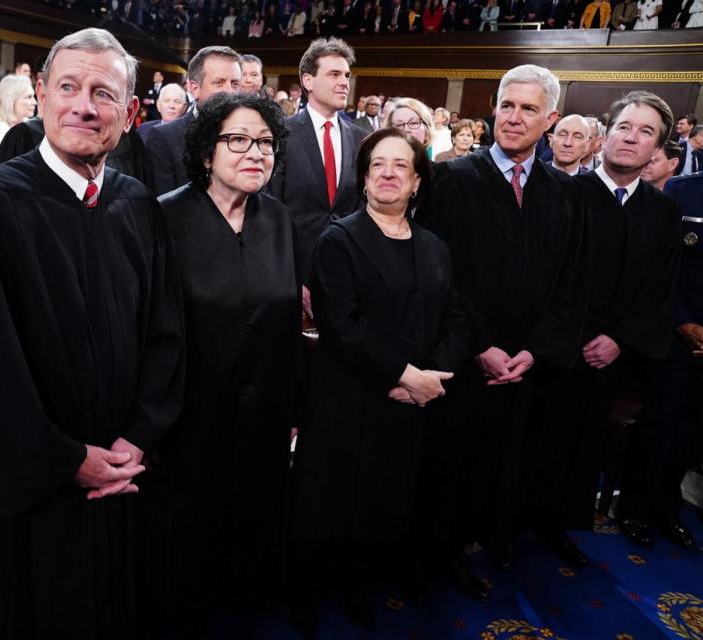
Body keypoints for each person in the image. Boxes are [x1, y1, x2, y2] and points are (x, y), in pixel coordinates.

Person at [0, 28, 185, 639]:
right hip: (25, 488)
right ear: (40, 96)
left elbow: (167, 332)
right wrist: (64, 459)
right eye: (68, 87)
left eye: (104, 94)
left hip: (122, 471)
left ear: (130, 114)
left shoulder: (139, 206)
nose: (85, 105)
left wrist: (139, 434)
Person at [291, 128, 468, 632]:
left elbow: (456, 318)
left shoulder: (435, 246)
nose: (389, 174)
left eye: (401, 167)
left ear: (416, 182)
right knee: (333, 503)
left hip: (414, 402)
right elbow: (342, 327)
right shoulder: (338, 239)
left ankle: (364, 584)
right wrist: (403, 375)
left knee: (386, 502)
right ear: (365, 178)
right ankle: (311, 594)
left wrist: (433, 378)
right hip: (350, 398)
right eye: (378, 165)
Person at [417, 64, 589, 575]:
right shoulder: (450, 180)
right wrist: (482, 347)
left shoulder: (566, 193)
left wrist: (535, 350)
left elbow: (571, 283)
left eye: (529, 109)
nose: (514, 118)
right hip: (468, 359)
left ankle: (499, 538)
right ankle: (442, 556)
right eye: (506, 105)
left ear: (551, 119)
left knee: (517, 460)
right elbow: (440, 276)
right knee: (451, 466)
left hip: (530, 365)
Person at [147, 91, 297, 637]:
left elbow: (284, 326)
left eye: (265, 142)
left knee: (251, 546)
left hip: (263, 417)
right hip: (188, 423)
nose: (255, 152)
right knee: (187, 556)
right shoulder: (163, 217)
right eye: (238, 140)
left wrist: (291, 409)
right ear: (207, 153)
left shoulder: (279, 219)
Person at [535, 92, 680, 564]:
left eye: (645, 132)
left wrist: (619, 339)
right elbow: (541, 277)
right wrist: (571, 336)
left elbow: (659, 289)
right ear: (605, 134)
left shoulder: (663, 213)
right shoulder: (560, 193)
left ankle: (560, 527)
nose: (631, 138)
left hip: (611, 357)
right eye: (624, 127)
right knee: (537, 440)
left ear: (657, 149)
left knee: (586, 446)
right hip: (553, 349)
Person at [618, 171, 703, 550]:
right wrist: (684, 321)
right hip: (676, 332)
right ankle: (634, 509)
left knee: (692, 431)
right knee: (660, 423)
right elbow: (666, 266)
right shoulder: (683, 190)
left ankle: (668, 510)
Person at [268, 37, 363, 290]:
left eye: (346, 75)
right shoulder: (281, 134)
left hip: (347, 272)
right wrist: (289, 278)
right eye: (334, 74)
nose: (344, 82)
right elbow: (271, 210)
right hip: (293, 274)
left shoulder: (360, 139)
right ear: (308, 81)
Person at [145, 45, 242, 196]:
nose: (230, 91)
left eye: (235, 83)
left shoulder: (252, 137)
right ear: (194, 88)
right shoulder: (165, 138)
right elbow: (165, 206)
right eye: (219, 82)